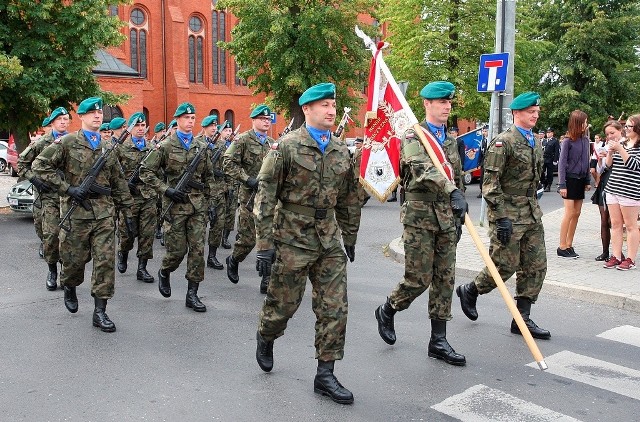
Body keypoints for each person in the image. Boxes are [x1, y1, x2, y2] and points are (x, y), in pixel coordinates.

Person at [254, 82, 361, 404]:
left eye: (333, 105)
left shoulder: (342, 150)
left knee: (334, 307)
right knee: (284, 304)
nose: (331, 111)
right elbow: (264, 195)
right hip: (291, 238)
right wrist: (264, 245)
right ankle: (266, 334)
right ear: (307, 110)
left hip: (328, 238)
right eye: (325, 105)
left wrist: (350, 235)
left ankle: (325, 374)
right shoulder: (286, 147)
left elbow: (348, 198)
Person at [374, 81, 468, 367]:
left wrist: (460, 212)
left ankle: (438, 340)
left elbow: (458, 176)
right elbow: (422, 169)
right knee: (418, 278)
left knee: (445, 278)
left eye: (449, 102)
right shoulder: (413, 136)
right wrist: (452, 191)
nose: (447, 106)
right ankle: (388, 308)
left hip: (446, 218)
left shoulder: (451, 141)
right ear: (426, 104)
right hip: (420, 217)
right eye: (441, 102)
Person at [32, 97, 135, 332]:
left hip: (104, 214)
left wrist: (127, 212)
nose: (98, 116)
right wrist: (68, 189)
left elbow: (118, 182)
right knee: (73, 262)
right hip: (76, 213)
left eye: (100, 113)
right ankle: (68, 285)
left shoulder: (108, 146)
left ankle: (100, 311)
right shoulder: (67, 142)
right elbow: (39, 166)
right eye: (92, 113)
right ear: (81, 117)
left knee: (105, 262)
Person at [456, 91, 550, 340]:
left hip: (531, 213)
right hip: (508, 213)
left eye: (537, 112)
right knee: (505, 265)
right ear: (516, 113)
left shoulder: (535, 141)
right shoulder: (503, 142)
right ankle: (471, 290)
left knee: (535, 266)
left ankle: (522, 319)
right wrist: (500, 217)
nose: (535, 115)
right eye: (531, 111)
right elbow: (490, 184)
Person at [139, 103, 214, 312]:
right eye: (187, 118)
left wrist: (211, 203)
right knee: (177, 251)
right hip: (175, 206)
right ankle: (165, 270)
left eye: (193, 118)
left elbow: (209, 177)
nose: (190, 121)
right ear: (178, 119)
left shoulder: (201, 146)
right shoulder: (165, 146)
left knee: (198, 250)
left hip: (198, 206)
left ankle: (192, 294)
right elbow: (145, 171)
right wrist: (166, 189)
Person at [223, 104, 275, 294]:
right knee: (248, 239)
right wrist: (247, 179)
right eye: (262, 119)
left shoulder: (272, 143)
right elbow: (227, 163)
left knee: (270, 239)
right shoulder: (243, 140)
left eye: (268, 119)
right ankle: (234, 259)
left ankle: (267, 280)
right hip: (249, 198)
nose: (266, 122)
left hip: (268, 200)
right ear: (254, 120)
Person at [17, 107, 69, 290]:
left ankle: (65, 273)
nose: (64, 122)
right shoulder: (42, 143)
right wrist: (35, 181)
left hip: (69, 197)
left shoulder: (73, 141)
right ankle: (52, 269)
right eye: (60, 119)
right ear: (52, 122)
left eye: (66, 118)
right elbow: (22, 164)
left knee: (68, 238)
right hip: (48, 197)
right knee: (51, 235)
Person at [115, 112, 156, 283]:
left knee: (147, 234)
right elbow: (113, 174)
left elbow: (158, 171)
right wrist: (125, 185)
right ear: (130, 128)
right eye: (137, 126)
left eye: (142, 125)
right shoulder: (120, 148)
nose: (140, 129)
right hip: (129, 199)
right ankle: (123, 253)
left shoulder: (152, 148)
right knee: (127, 234)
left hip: (148, 197)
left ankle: (142, 268)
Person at [602, 114, 640, 270]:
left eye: (629, 126)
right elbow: (609, 165)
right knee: (616, 224)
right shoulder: (623, 142)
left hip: (630, 190)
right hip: (613, 188)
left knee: (631, 226)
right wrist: (611, 151)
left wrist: (620, 149)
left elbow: (634, 165)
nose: (626, 129)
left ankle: (631, 258)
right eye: (626, 126)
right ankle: (616, 256)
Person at [557, 110, 591, 258]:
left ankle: (569, 244)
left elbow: (587, 161)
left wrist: (588, 180)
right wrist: (562, 185)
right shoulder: (567, 141)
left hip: (581, 179)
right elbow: (562, 164)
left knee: (577, 213)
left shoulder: (585, 140)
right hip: (569, 180)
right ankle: (562, 246)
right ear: (578, 123)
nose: (586, 124)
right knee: (569, 213)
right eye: (584, 122)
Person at [198, 116, 226, 270]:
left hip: (219, 190)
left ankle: (212, 256)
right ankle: (197, 255)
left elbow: (227, 166)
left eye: (215, 126)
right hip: (202, 191)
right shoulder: (198, 144)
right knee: (200, 225)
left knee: (218, 224)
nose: (214, 128)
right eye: (211, 126)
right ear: (204, 127)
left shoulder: (222, 145)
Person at [591, 126, 614, 261]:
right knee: (604, 220)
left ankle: (620, 254)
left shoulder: (626, 145)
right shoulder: (603, 147)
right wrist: (600, 159)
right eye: (607, 134)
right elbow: (600, 169)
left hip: (619, 184)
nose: (609, 136)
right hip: (604, 182)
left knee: (616, 222)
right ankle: (605, 252)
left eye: (612, 133)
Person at [541, 127, 560, 192]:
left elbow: (557, 151)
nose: (548, 134)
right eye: (547, 132)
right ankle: (544, 182)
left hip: (550, 158)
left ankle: (549, 185)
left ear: (552, 133)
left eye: (549, 132)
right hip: (544, 158)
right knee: (541, 171)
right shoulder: (544, 141)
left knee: (550, 173)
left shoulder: (555, 141)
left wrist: (555, 160)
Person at [477, 126, 489, 198]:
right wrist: (479, 162)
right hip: (483, 161)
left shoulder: (491, 139)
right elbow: (480, 152)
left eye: (485, 131)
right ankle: (481, 191)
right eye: (483, 131)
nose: (484, 133)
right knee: (482, 177)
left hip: (489, 160)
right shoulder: (482, 141)